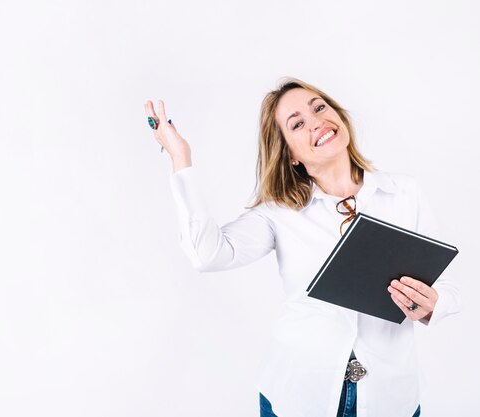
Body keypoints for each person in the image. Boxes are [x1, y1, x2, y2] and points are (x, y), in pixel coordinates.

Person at [143, 78, 460, 417]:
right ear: (290, 153)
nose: (317, 122)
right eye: (297, 124)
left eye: (319, 107)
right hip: (301, 397)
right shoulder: (279, 213)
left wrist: (432, 305)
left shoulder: (404, 193)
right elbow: (207, 254)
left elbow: (447, 285)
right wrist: (181, 159)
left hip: (390, 399)